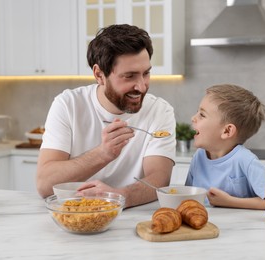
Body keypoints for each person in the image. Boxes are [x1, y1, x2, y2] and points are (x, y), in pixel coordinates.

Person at [36, 24, 176, 208]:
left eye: (146, 73)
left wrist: (118, 197)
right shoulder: (68, 105)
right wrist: (103, 153)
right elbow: (45, 185)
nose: (141, 86)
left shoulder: (160, 111)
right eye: (129, 76)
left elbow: (159, 179)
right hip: (74, 215)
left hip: (133, 219)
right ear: (99, 74)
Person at [185, 84, 265, 210]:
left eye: (202, 115)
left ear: (227, 131)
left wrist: (229, 201)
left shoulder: (244, 159)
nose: (193, 118)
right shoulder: (199, 156)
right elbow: (187, 196)